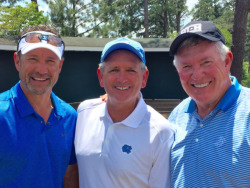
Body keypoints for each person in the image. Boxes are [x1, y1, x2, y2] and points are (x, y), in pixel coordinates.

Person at [74, 37, 174, 188]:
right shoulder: (84, 112)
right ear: (101, 76)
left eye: (131, 70)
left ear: (144, 77)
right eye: (114, 70)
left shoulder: (161, 131)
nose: (122, 79)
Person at [168, 20, 250, 187]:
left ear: (227, 62)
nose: (197, 75)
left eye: (206, 62)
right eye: (186, 66)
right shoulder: (177, 115)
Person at [0, 25, 79, 188]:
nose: (41, 70)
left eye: (50, 61)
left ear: (60, 66)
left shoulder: (70, 117)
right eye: (33, 58)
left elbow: (70, 174)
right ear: (17, 61)